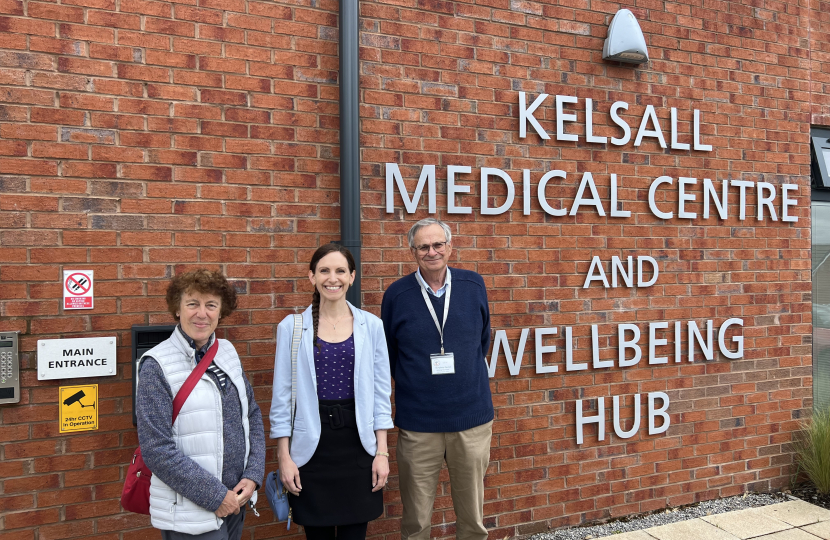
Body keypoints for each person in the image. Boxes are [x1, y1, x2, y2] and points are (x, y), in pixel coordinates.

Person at [270, 243, 393, 540]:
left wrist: (382, 452)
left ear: (352, 277)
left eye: (340, 271)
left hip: (358, 446)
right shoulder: (293, 327)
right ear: (311, 277)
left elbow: (380, 394)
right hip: (311, 449)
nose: (332, 278)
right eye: (324, 270)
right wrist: (284, 457)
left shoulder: (372, 326)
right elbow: (282, 398)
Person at [381, 218, 494, 540]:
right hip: (418, 425)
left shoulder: (473, 286)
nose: (431, 252)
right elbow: (390, 353)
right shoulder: (397, 295)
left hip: (470, 421)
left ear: (449, 246)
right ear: (413, 251)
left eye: (437, 245)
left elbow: (481, 341)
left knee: (472, 518)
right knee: (416, 520)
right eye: (423, 247)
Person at [136, 269, 266, 540]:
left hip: (236, 500)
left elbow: (251, 414)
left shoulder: (227, 352)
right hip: (190, 514)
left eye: (211, 305)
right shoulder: (156, 365)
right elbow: (157, 449)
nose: (202, 313)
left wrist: (253, 474)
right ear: (177, 309)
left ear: (221, 312)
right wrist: (216, 496)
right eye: (193, 303)